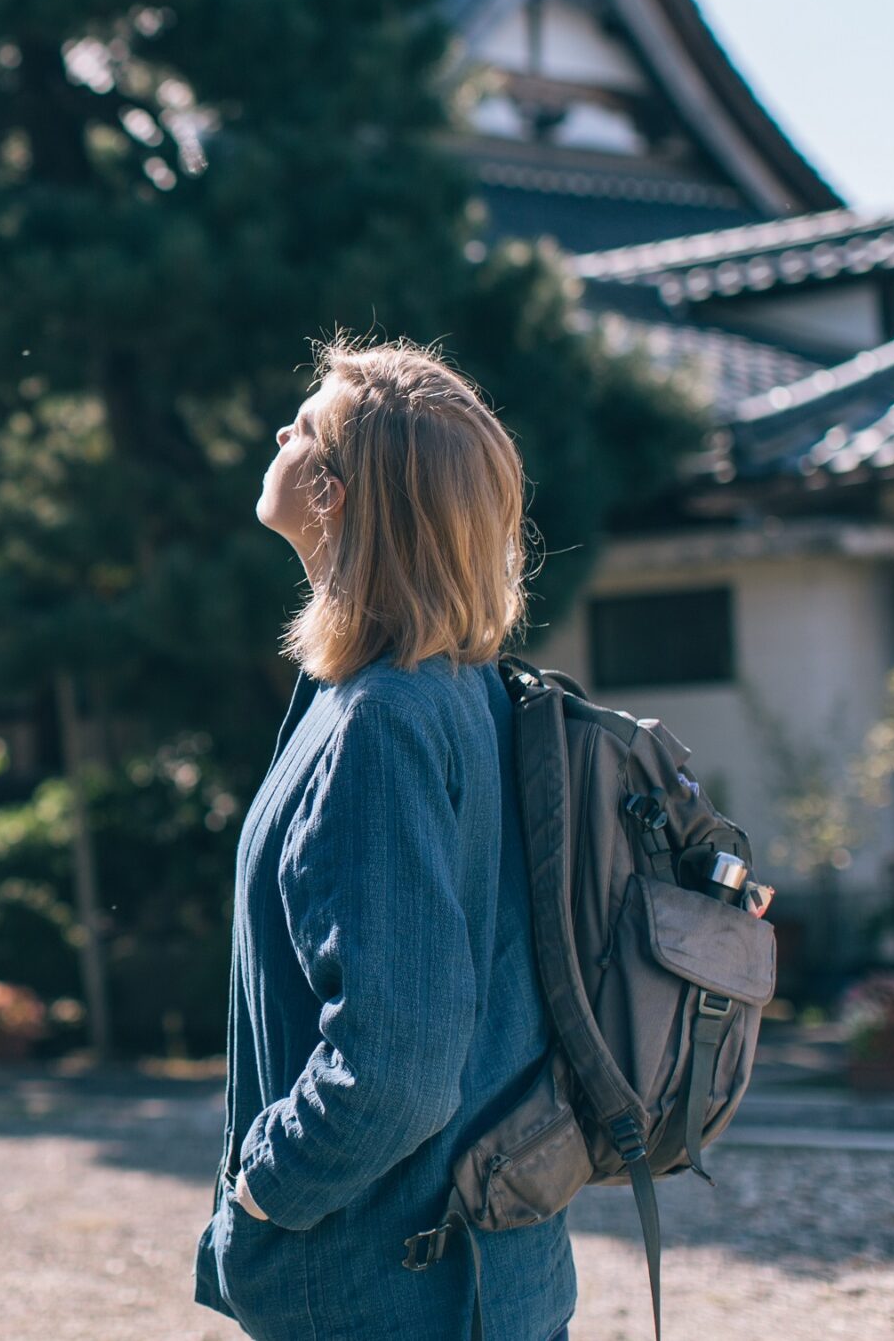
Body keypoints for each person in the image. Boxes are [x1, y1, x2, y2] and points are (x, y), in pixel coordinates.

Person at [194, 338, 576, 1341]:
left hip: (386, 1285)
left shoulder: (380, 720)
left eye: (304, 425)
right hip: (491, 1260)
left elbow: (395, 1065)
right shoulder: (470, 694)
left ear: (332, 493)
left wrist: (264, 1190)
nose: (279, 432)